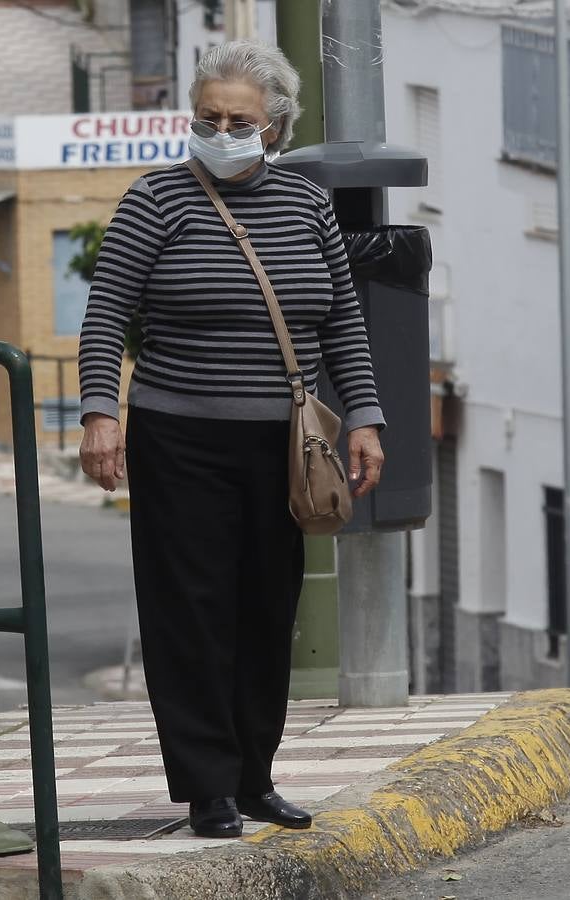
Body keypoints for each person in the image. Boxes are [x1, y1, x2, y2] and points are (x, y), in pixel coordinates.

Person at [76, 40, 386, 839]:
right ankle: (207, 785)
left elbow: (343, 321)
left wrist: (366, 416)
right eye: (207, 116)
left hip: (285, 446)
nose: (221, 130)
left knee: (265, 608)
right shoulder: (157, 201)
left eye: (238, 120)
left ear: (274, 129)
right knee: (193, 613)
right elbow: (107, 310)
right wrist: (100, 413)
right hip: (180, 440)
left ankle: (255, 777)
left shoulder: (307, 205)